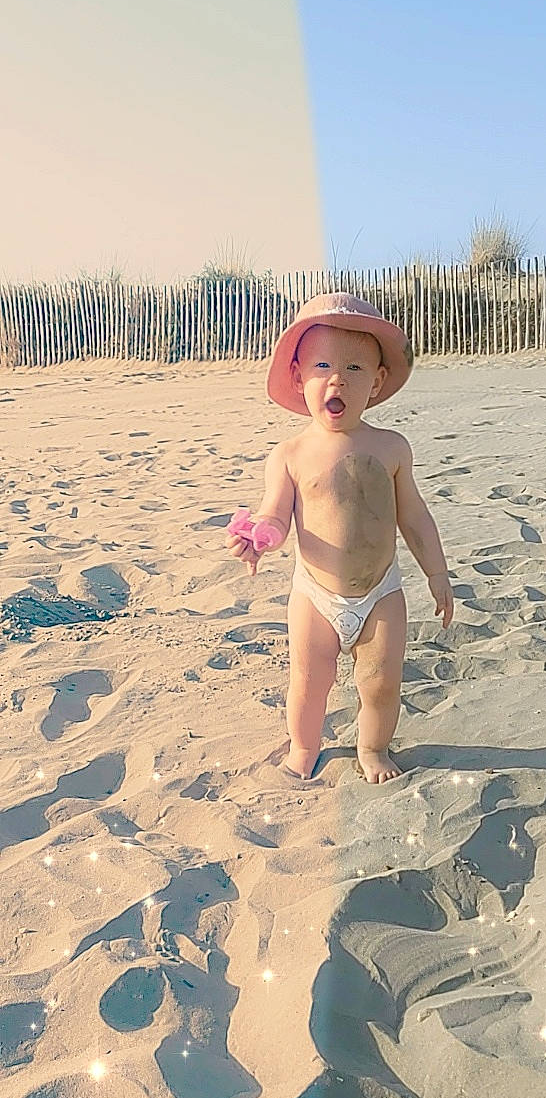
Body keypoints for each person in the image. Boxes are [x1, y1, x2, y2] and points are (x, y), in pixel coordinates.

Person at [225, 291, 454, 784]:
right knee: (309, 681)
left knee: (381, 683)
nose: (337, 379)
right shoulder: (290, 454)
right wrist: (261, 536)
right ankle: (304, 746)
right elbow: (275, 513)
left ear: (377, 381)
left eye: (354, 368)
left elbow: (414, 515)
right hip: (315, 594)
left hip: (381, 591)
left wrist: (436, 573)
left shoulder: (392, 447)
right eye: (323, 365)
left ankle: (373, 749)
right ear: (298, 378)